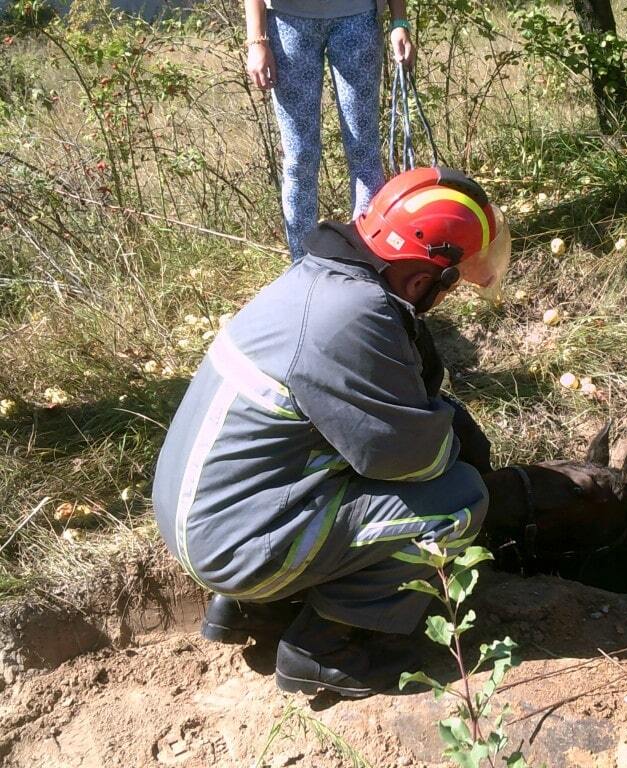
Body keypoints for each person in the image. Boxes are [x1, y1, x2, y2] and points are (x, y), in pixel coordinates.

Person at [152, 167, 511, 696]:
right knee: (456, 497)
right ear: (419, 280)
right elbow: (416, 461)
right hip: (233, 543)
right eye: (444, 287)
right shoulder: (357, 314)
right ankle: (320, 648)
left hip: (204, 516)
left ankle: (255, 608)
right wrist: (456, 438)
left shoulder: (316, 277)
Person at [243, 0, 415, 261]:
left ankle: (366, 265)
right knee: (300, 158)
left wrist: (399, 21)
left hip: (357, 19)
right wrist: (256, 41)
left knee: (364, 153)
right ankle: (302, 268)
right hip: (289, 21)